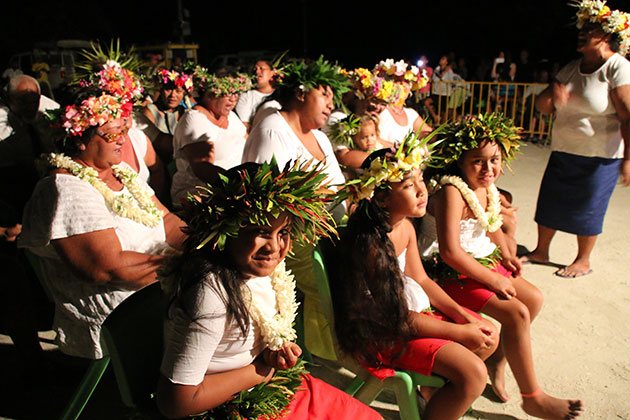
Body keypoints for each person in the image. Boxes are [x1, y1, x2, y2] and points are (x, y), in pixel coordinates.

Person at [156, 160, 380, 419]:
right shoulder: (210, 295)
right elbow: (176, 402)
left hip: (265, 385)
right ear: (225, 230)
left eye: (283, 231)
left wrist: (271, 352)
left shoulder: (264, 270)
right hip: (229, 408)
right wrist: (261, 369)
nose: (274, 247)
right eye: (260, 231)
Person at [420, 113, 582, 419]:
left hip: (479, 261)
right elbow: (452, 253)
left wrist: (506, 252)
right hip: (448, 272)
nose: (488, 168)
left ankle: (498, 359)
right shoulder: (452, 191)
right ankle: (532, 397)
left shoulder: (487, 187)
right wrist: (495, 282)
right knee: (517, 312)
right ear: (459, 161)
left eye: (494, 160)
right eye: (477, 161)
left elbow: (490, 219)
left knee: (533, 298)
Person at [332, 134, 499, 419]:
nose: (422, 191)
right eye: (409, 185)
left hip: (407, 316)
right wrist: (459, 331)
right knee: (474, 374)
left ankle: (433, 397)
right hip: (382, 334)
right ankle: (438, 402)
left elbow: (421, 280)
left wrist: (462, 315)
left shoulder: (405, 227)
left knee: (487, 335)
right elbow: (394, 316)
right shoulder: (370, 244)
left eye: (421, 180)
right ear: (382, 197)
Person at [18, 85, 187, 360]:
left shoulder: (121, 172)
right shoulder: (65, 187)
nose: (122, 139)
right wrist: (188, 265)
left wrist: (203, 243)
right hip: (123, 307)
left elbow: (166, 220)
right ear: (79, 139)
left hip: (161, 283)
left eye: (123, 130)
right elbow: (107, 267)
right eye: (111, 133)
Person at [242, 56, 350, 361]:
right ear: (301, 92)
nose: (331, 104)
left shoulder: (318, 137)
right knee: (333, 280)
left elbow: (338, 186)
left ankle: (345, 344)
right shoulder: (273, 128)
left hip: (330, 230)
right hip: (293, 237)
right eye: (324, 94)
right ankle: (328, 350)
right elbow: (269, 197)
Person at [523, 0, 630, 278]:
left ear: (607, 36)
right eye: (582, 28)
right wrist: (553, 98)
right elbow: (541, 105)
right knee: (551, 201)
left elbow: (628, 116)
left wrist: (629, 158)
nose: (582, 33)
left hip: (601, 157)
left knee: (589, 207)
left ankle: (583, 260)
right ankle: (541, 250)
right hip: (564, 150)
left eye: (590, 29)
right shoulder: (571, 68)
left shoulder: (617, 68)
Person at [170, 67, 250, 208]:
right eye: (227, 93)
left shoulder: (231, 116)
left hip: (234, 190)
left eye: (236, 93)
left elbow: (248, 141)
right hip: (202, 195)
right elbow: (204, 169)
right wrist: (240, 186)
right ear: (210, 92)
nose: (233, 99)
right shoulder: (195, 119)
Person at [138, 67, 194, 164]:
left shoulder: (184, 112)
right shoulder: (150, 111)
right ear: (161, 89)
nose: (173, 95)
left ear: (184, 93)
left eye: (178, 91)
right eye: (168, 89)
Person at [373, 59, 433, 143]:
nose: (403, 85)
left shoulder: (411, 114)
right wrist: (398, 150)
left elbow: (429, 134)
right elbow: (372, 139)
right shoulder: (378, 109)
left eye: (407, 81)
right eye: (398, 80)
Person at [235, 59, 276, 132]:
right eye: (255, 69)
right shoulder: (247, 96)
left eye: (261, 68)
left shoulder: (281, 94)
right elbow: (244, 126)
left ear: (272, 73)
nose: (257, 72)